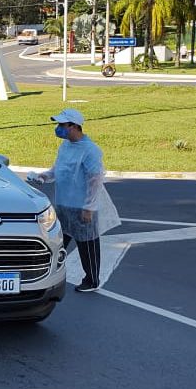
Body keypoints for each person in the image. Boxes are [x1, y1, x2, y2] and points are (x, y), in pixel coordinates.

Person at [27, 108, 120, 293]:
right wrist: (43, 177)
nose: (58, 128)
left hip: (82, 206)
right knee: (58, 242)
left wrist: (89, 207)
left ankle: (92, 279)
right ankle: (48, 275)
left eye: (62, 125)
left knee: (87, 243)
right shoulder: (65, 146)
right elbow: (57, 170)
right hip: (63, 203)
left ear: (74, 126)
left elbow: (95, 179)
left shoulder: (90, 150)